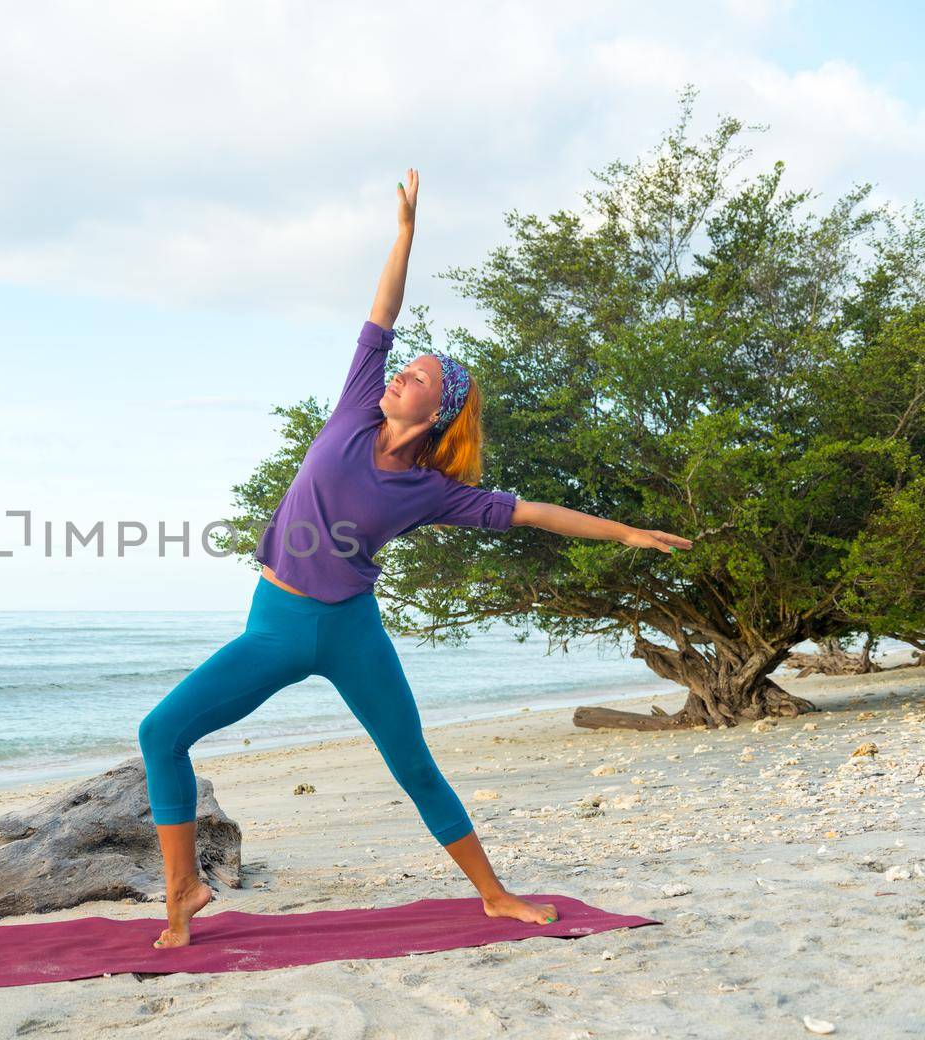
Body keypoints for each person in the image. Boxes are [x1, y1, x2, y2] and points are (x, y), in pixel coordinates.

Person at [136, 168, 694, 950]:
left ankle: (494, 894)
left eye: (420, 378)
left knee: (413, 763)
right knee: (161, 733)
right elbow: (383, 314)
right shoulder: (355, 408)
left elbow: (531, 512)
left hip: (353, 632)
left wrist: (628, 534)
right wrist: (403, 235)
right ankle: (182, 889)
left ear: (440, 412)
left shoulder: (435, 490)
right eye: (405, 369)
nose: (402, 376)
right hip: (277, 622)